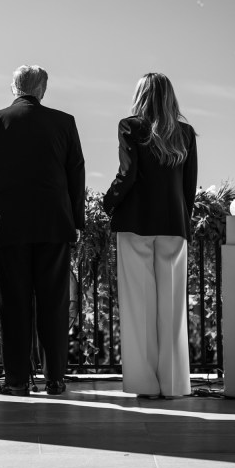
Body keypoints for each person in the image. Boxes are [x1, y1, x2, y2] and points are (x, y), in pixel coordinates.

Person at [0, 64, 85, 396]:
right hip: (54, 224)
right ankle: (55, 380)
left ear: (14, 87)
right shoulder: (64, 123)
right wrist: (76, 222)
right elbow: (75, 176)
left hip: (9, 226)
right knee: (54, 302)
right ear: (43, 89)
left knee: (14, 304)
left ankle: (17, 380)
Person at [102, 72, 197, 399]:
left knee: (139, 306)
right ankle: (174, 385)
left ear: (140, 95)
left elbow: (127, 175)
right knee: (171, 309)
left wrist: (108, 202)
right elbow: (189, 188)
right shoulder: (185, 133)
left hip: (136, 222)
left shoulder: (130, 127)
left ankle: (145, 384)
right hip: (174, 225)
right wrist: (184, 219)